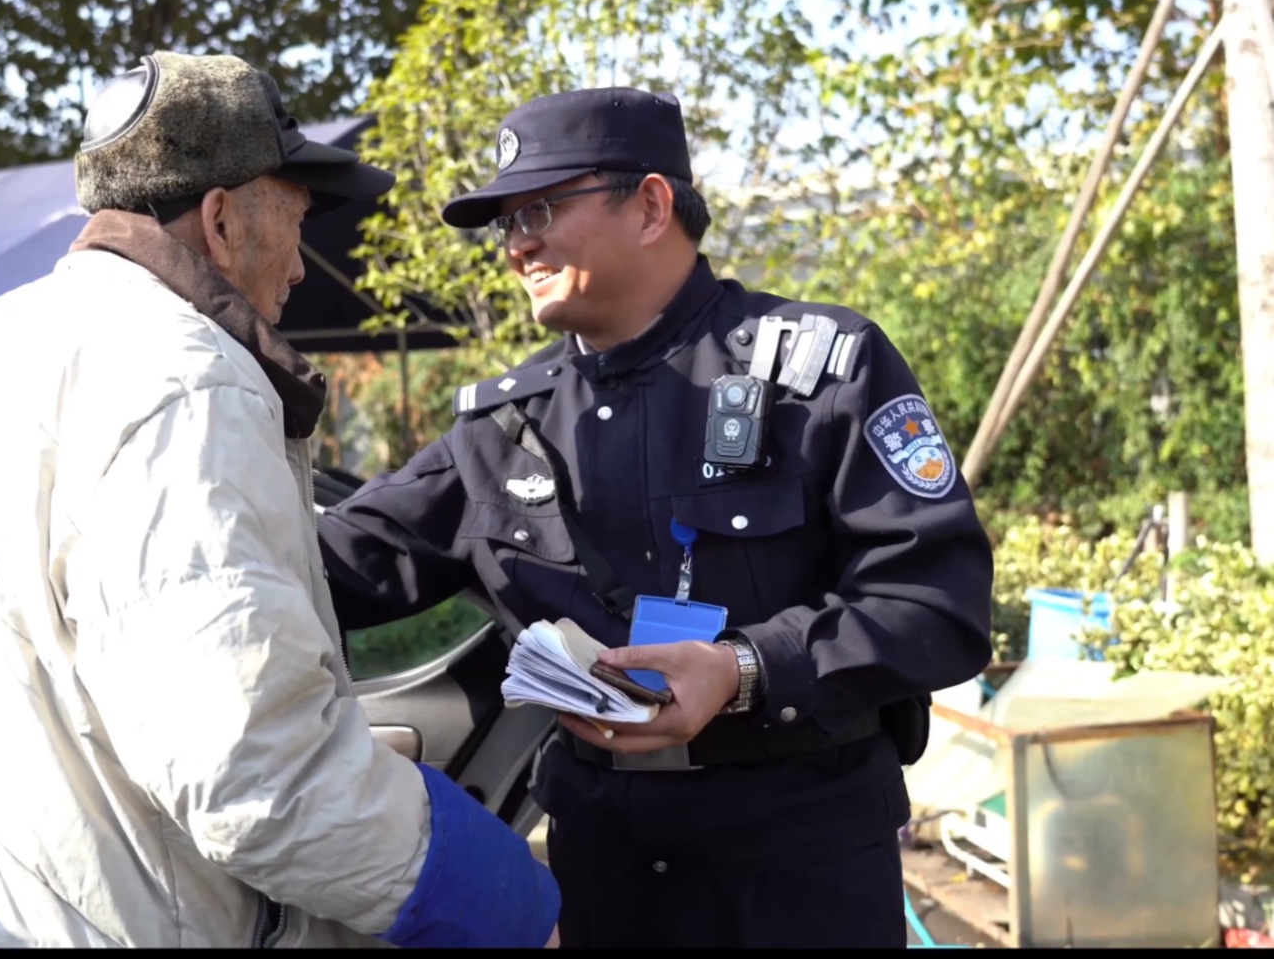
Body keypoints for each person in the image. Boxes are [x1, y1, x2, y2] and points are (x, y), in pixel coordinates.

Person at [0, 52, 559, 949]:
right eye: (297, 218)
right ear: (223, 216)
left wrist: (24, 806)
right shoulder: (193, 379)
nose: (304, 269)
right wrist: (513, 908)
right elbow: (252, 771)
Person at [317, 87, 995, 948]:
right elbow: (329, 567)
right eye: (504, 222)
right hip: (610, 877)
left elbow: (936, 607)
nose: (516, 242)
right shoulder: (502, 430)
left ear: (649, 205)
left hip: (797, 879)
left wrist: (742, 668)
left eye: (540, 208)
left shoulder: (822, 376)